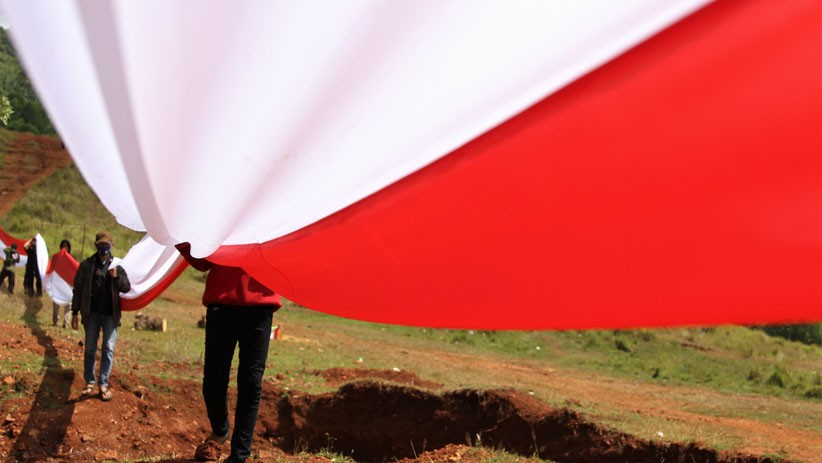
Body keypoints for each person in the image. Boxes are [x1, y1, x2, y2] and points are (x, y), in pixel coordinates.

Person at [176, 242, 281, 463]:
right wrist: (178, 234)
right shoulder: (222, 214)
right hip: (222, 306)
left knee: (251, 383)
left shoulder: (275, 214)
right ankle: (220, 428)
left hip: (260, 308)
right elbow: (203, 262)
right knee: (213, 380)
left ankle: (239, 455)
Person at [71, 231, 130, 401]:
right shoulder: (86, 265)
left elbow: (126, 287)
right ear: (96, 246)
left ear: (112, 246)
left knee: (108, 349)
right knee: (90, 348)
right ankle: (89, 382)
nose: (104, 248)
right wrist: (75, 312)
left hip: (111, 316)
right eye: (101, 245)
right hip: (92, 314)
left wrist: (116, 277)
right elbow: (78, 290)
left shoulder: (117, 266)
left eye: (107, 245)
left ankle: (103, 383)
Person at [52, 239, 74, 328]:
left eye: (66, 246)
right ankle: (55, 321)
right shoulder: (57, 258)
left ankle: (66, 323)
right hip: (58, 284)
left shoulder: (71, 259)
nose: (65, 248)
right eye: (63, 246)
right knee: (56, 302)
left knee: (68, 304)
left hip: (68, 285)